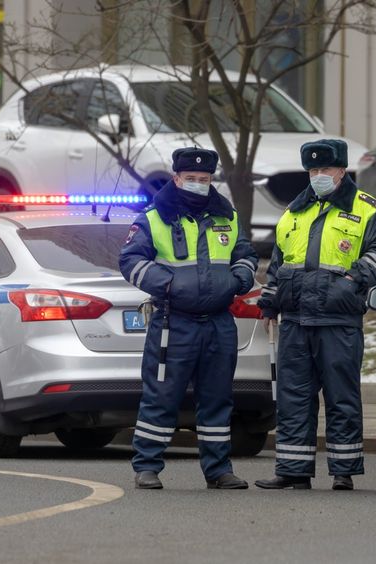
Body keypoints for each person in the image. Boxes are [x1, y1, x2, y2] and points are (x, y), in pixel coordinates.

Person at [255, 139, 376, 491]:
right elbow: (279, 263)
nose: (319, 175)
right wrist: (270, 301)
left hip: (339, 320)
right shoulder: (293, 213)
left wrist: (353, 280)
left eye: (326, 169)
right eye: (314, 170)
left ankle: (343, 471)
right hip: (296, 321)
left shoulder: (366, 209)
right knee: (293, 398)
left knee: (341, 397)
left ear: (342, 170)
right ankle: (293, 469)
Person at [119, 147, 258, 490]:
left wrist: (239, 279)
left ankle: (218, 470)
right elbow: (130, 261)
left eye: (204, 179)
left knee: (218, 398)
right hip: (173, 323)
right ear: (177, 178)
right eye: (191, 179)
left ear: (212, 180)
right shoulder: (153, 218)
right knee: (161, 395)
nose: (198, 184)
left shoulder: (228, 216)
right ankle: (147, 466)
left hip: (218, 322)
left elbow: (245, 255)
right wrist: (167, 284)